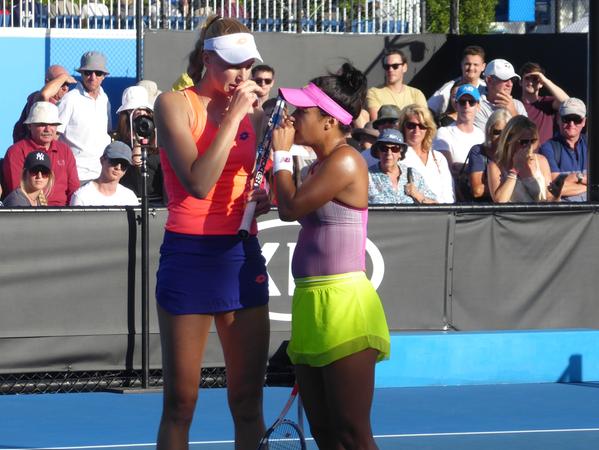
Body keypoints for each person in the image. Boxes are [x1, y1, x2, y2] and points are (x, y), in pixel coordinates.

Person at [152, 16, 270, 450]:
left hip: (240, 255)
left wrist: (264, 194)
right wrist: (235, 114)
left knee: (247, 402)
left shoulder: (255, 116)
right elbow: (198, 182)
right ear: (207, 59)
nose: (242, 76)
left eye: (247, 66)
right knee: (180, 404)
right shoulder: (172, 104)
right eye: (232, 65)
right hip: (188, 256)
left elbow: (253, 179)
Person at [272, 62, 390, 450]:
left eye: (302, 112)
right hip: (310, 304)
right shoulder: (319, 167)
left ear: (328, 122)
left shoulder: (345, 160)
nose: (293, 118)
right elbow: (292, 204)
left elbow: (290, 210)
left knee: (352, 432)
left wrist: (281, 156)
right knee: (324, 433)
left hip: (344, 306)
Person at [3, 101, 80, 206]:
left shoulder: (65, 150)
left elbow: (74, 190)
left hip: (64, 214)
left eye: (52, 124)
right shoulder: (16, 152)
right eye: (42, 124)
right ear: (30, 126)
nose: (48, 129)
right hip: (31, 214)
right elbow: (19, 193)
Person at [58, 51, 112, 183]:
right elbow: (55, 136)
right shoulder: (69, 99)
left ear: (104, 76)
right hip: (77, 174)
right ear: (81, 74)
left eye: (98, 73)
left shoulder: (104, 99)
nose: (92, 77)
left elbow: (108, 132)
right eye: (88, 72)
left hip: (102, 174)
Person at [487, 116, 559, 203]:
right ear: (509, 141)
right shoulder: (496, 165)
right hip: (512, 216)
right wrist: (514, 171)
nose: (529, 146)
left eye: (532, 141)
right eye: (524, 142)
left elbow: (549, 197)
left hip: (539, 215)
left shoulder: (541, 161)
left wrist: (556, 195)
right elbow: (500, 201)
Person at [113, 85, 164, 203]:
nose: (141, 113)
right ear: (126, 115)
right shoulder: (120, 144)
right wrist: (135, 142)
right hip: (130, 200)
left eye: (144, 110)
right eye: (135, 110)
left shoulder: (158, 139)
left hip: (157, 200)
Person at [400, 104, 455, 203]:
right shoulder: (397, 156)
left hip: (442, 213)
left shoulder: (438, 157)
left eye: (422, 126)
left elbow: (449, 193)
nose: (416, 130)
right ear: (403, 128)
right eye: (411, 125)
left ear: (428, 129)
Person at [368, 128, 437, 204]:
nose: (389, 153)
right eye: (384, 148)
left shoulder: (412, 175)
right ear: (378, 152)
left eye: (395, 149)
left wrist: (417, 195)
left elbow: (436, 206)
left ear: (401, 153)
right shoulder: (367, 177)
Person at [539, 98, 587, 202]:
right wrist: (587, 184)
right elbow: (554, 188)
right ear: (558, 119)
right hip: (565, 215)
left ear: (584, 121)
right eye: (567, 119)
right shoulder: (547, 148)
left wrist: (572, 179)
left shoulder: (593, 145)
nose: (572, 124)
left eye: (576, 119)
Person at [13, 65, 77, 143]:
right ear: (47, 82)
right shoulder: (36, 99)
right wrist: (64, 77)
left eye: (67, 84)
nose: (65, 88)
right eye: (61, 83)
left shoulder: (67, 102)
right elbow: (44, 95)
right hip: (31, 151)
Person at [433, 84, 485, 176]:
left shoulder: (481, 135)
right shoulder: (443, 133)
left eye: (471, 102)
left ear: (478, 106)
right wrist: (474, 168)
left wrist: (463, 167)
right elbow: (447, 169)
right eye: (462, 102)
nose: (467, 105)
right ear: (456, 105)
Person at [463, 108, 512, 202]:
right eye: (497, 132)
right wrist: (509, 186)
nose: (501, 138)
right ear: (489, 131)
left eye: (506, 133)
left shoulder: (516, 152)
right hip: (485, 212)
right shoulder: (478, 151)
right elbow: (477, 191)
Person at [69, 142, 139, 206]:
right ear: (102, 160)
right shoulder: (82, 196)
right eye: (114, 161)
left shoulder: (130, 198)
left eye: (124, 164)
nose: (118, 167)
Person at [366, 47, 427, 121]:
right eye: (387, 67)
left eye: (395, 66)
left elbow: (424, 119)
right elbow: (377, 122)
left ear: (404, 67)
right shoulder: (374, 92)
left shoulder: (416, 93)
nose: (390, 70)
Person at [428, 45, 487, 118]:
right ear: (461, 64)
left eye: (475, 65)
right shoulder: (449, 88)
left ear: (483, 67)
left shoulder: (487, 88)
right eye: (467, 64)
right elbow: (428, 111)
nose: (471, 68)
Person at [519, 62, 569, 145]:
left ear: (541, 84)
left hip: (545, 155)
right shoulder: (515, 104)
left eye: (535, 79)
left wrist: (545, 80)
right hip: (522, 154)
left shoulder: (547, 102)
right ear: (520, 82)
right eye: (527, 78)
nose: (531, 82)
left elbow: (568, 103)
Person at [474, 58, 528, 131]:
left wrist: (513, 112)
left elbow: (528, 135)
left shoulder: (517, 105)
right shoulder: (476, 106)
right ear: (489, 80)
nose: (510, 84)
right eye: (505, 79)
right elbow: (488, 140)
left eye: (512, 79)